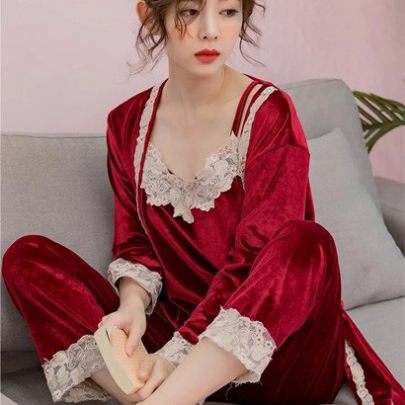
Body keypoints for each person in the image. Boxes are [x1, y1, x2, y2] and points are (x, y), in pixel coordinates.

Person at [2, 0, 404, 404]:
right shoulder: (126, 124)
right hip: (173, 334)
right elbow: (136, 245)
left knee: (307, 241)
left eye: (228, 12)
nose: (211, 31)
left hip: (278, 354)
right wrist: (132, 306)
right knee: (27, 257)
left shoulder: (269, 113)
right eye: (190, 11)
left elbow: (257, 253)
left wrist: (175, 356)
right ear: (150, 16)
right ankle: (153, 388)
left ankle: (163, 399)